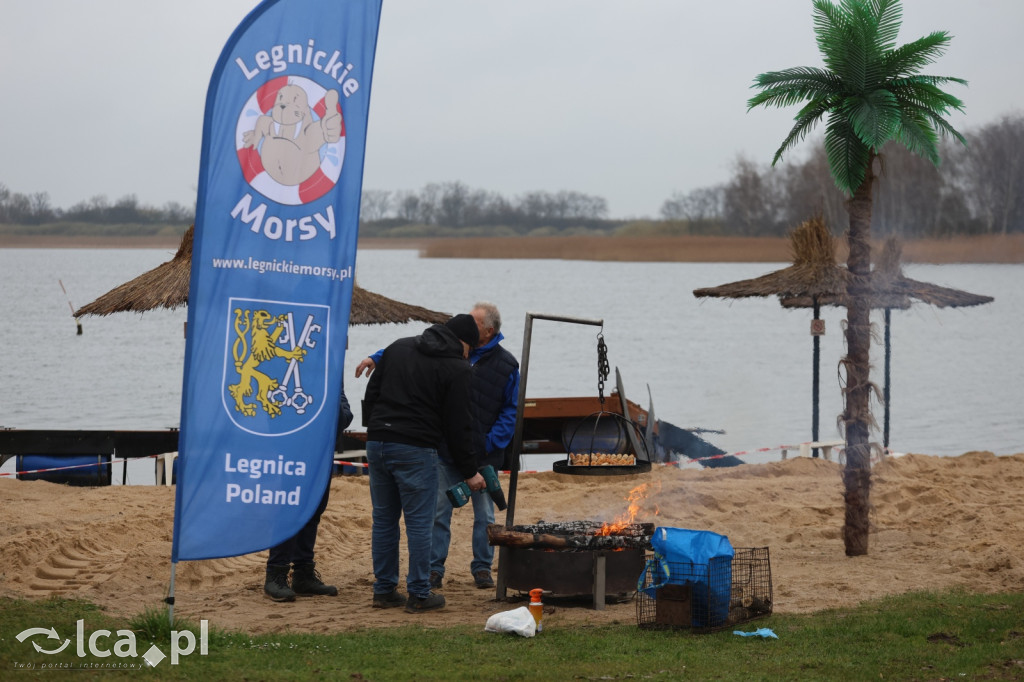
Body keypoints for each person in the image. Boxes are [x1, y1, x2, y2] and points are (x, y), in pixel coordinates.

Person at [356, 302, 520, 590]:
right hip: (442, 448)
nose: (469, 327)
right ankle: (431, 573)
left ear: (489, 331)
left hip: (481, 450)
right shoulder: (452, 359)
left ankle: (482, 567)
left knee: (485, 515)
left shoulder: (505, 365)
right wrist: (375, 356)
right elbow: (408, 350)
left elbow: (511, 410)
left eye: (476, 323)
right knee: (435, 514)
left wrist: (490, 442)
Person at [360, 314, 486, 613]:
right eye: (472, 348)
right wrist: (469, 471)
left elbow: (372, 393)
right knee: (419, 523)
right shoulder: (457, 368)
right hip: (415, 448)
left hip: (377, 443)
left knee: (384, 519)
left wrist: (378, 427)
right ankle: (418, 592)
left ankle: (384, 589)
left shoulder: (398, 347)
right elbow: (459, 426)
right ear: (464, 343)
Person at [263, 383, 354, 602]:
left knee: (314, 510)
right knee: (289, 509)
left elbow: (345, 416)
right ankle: (276, 573)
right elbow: (272, 410)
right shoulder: (288, 367)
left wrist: (332, 406)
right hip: (292, 448)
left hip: (322, 450)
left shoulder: (329, 368)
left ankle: (303, 573)